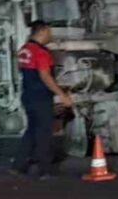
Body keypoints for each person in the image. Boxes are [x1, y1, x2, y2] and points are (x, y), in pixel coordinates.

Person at [12, 21, 73, 179]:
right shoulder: (41, 52)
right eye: (49, 32)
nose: (50, 36)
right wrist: (62, 95)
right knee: (43, 133)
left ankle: (18, 166)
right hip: (41, 97)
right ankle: (44, 170)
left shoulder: (24, 49)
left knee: (32, 131)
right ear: (43, 31)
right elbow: (45, 77)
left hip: (28, 96)